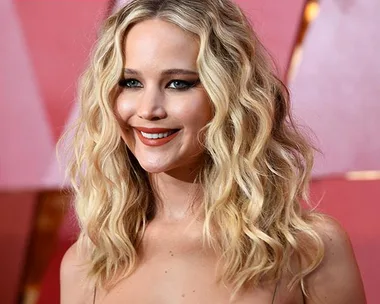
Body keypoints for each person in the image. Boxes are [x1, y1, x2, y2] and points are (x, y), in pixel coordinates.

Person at [59, 0, 366, 303]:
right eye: (131, 82)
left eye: (178, 83)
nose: (148, 109)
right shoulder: (86, 264)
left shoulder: (309, 249)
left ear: (229, 94)